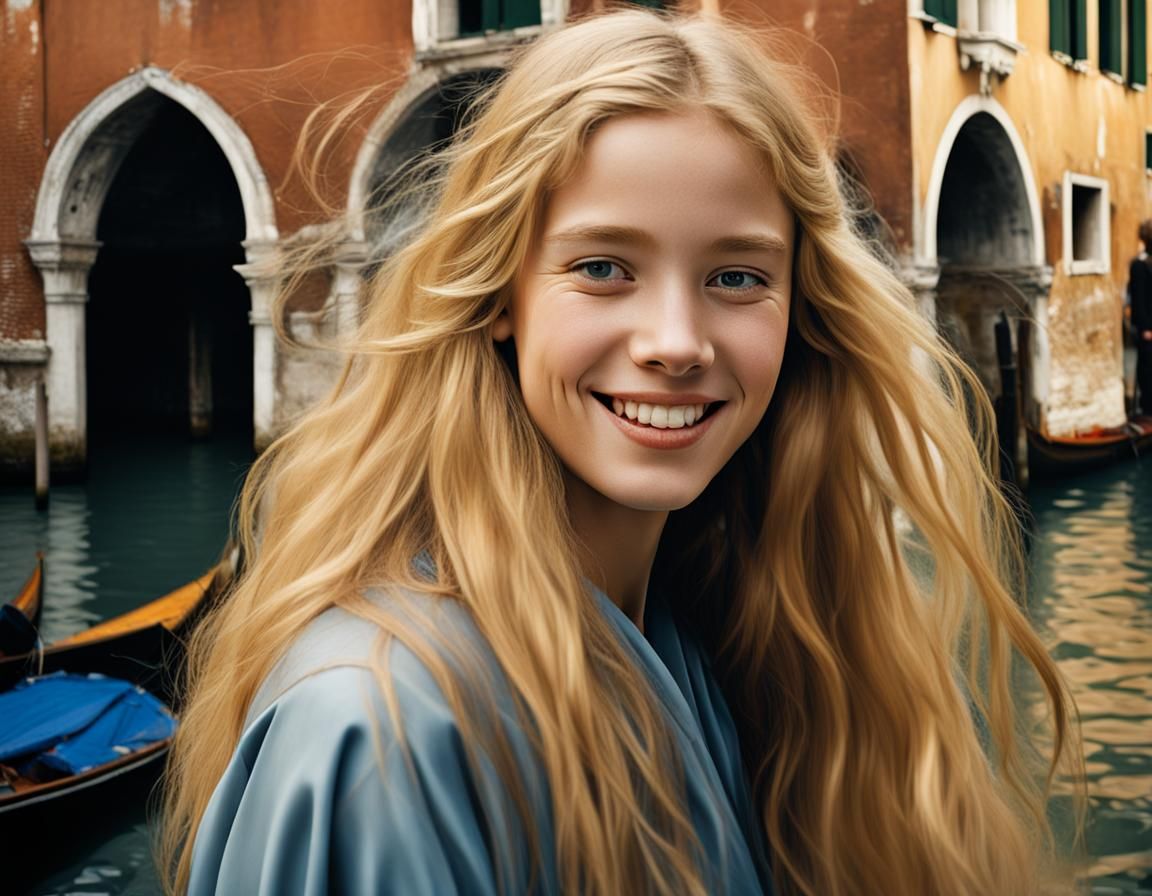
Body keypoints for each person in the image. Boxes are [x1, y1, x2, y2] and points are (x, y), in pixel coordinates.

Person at [161, 10, 1082, 895]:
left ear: (800, 311)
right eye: (603, 268)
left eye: (737, 276)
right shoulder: (378, 730)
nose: (677, 342)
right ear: (495, 296)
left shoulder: (726, 639)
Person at [1129, 219, 1152, 416]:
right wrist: (1145, 329)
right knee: (1147, 370)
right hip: (1148, 329)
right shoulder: (1139, 265)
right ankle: (1147, 410)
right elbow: (1139, 298)